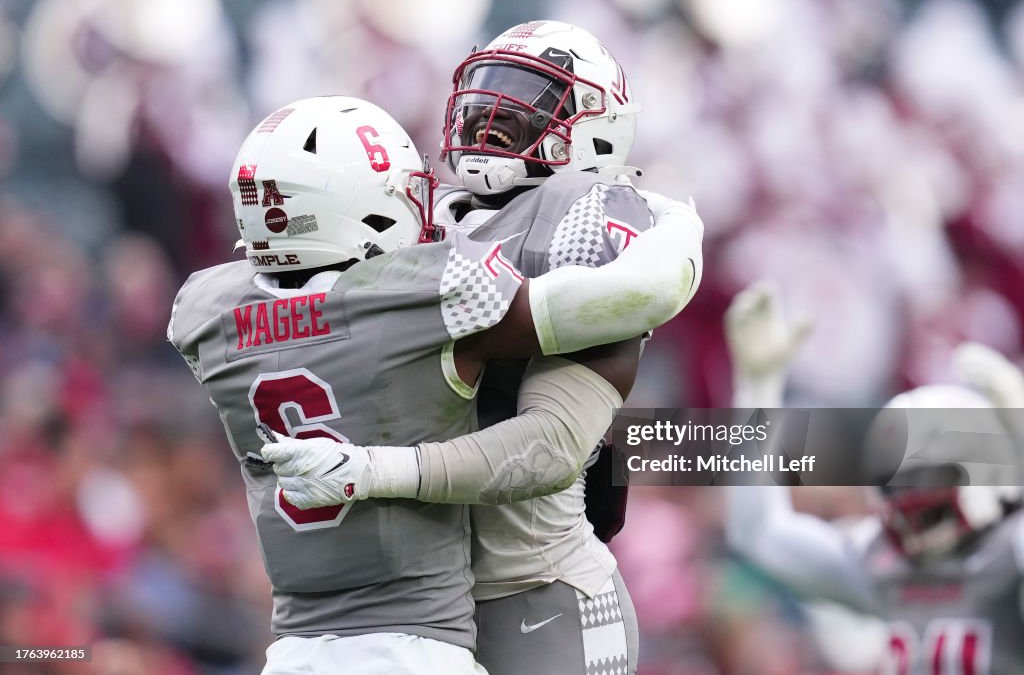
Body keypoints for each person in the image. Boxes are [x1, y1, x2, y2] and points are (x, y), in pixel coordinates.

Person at [168, 95, 699, 674]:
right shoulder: (423, 296)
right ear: (361, 209)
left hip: (294, 649)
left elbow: (307, 310)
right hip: (417, 646)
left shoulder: (204, 314)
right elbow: (631, 299)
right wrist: (675, 219)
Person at [723, 283, 1024, 674]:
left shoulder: (1010, 556)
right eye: (899, 481)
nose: (911, 496)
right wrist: (757, 388)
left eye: (927, 478)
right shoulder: (887, 564)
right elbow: (758, 532)